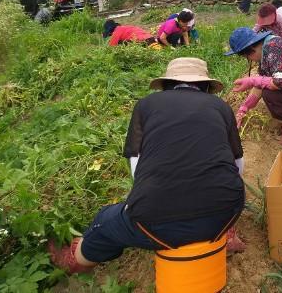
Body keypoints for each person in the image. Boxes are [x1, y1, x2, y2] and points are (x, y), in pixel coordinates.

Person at [48, 58, 246, 274]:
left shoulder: (146, 105)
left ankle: (76, 260)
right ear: (206, 86)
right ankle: (226, 234)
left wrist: (145, 195)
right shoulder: (221, 107)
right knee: (216, 201)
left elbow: (136, 162)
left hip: (154, 220)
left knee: (105, 223)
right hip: (227, 211)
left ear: (166, 84)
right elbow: (237, 163)